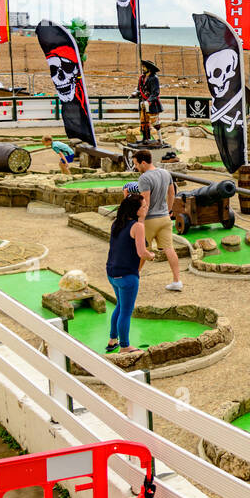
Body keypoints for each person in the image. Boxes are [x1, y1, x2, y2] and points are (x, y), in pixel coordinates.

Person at [105, 192, 155, 354]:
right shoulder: (138, 227)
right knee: (126, 311)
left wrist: (141, 220)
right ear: (136, 210)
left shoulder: (117, 223)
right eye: (144, 206)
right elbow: (142, 252)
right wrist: (151, 255)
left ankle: (113, 340)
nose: (147, 207)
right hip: (127, 276)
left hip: (112, 273)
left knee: (120, 306)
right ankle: (125, 346)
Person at [134, 149, 182, 292]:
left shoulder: (144, 178)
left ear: (143, 162)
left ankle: (134, 278)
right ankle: (177, 281)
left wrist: (140, 221)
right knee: (169, 249)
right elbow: (172, 193)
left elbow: (145, 201)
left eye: (136, 164)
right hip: (164, 218)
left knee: (141, 250)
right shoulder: (165, 173)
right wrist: (168, 210)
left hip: (150, 219)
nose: (136, 167)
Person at [135, 60, 162, 143]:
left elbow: (155, 92)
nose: (143, 68)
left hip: (152, 104)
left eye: (144, 67)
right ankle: (146, 138)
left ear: (149, 68)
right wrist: (136, 93)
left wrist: (149, 101)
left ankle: (160, 139)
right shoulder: (142, 78)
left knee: (155, 122)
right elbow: (139, 89)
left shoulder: (154, 78)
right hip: (143, 103)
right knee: (144, 121)